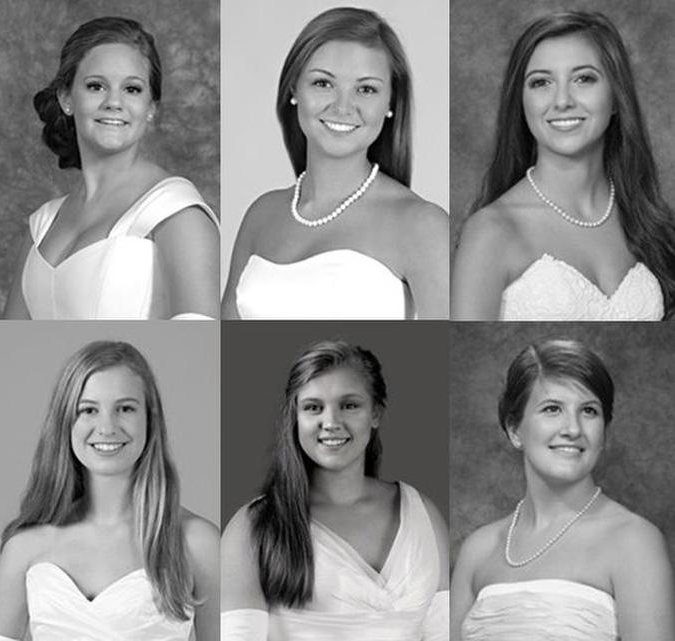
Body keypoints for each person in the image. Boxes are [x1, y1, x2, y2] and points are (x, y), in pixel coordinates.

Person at [222, 8, 448, 320]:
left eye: (366, 89)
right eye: (323, 83)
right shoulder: (261, 215)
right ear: (293, 89)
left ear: (391, 103)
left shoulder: (423, 226)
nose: (342, 107)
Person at [452, 11, 675, 320]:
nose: (562, 101)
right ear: (521, 102)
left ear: (615, 98)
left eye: (583, 79)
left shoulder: (649, 219)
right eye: (541, 82)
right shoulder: (491, 232)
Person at [221, 341, 449, 640]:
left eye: (349, 405)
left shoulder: (423, 513)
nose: (330, 422)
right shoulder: (253, 527)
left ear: (376, 413)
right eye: (313, 407)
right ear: (296, 417)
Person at [0, 341, 219, 640]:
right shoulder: (24, 547)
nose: (107, 427)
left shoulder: (198, 543)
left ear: (151, 420)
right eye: (88, 410)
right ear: (65, 422)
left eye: (125, 408)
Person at [453, 339, 675, 640]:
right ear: (515, 429)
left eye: (589, 411)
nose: (573, 428)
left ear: (604, 431)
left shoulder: (634, 542)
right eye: (552, 408)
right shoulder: (478, 550)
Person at [2, 17, 219, 320]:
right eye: (96, 86)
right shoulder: (41, 225)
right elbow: (13, 344)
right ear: (66, 98)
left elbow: (202, 344)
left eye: (132, 89)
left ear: (151, 108)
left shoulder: (178, 213)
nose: (114, 102)